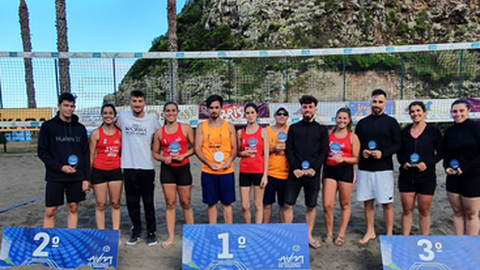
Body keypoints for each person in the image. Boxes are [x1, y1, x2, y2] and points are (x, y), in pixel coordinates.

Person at [355, 89, 401, 244]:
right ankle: (370, 231)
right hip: (365, 169)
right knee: (367, 202)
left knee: (386, 203)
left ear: (385, 103)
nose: (377, 104)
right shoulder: (362, 123)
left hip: (384, 169)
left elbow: (398, 144)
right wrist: (363, 152)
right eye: (374, 101)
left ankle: (389, 233)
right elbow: (356, 144)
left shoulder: (391, 122)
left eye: (380, 102)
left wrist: (383, 153)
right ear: (370, 102)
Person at [38, 92, 90, 228]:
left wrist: (86, 178)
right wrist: (60, 167)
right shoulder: (48, 127)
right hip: (55, 175)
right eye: (66, 105)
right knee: (50, 210)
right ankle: (47, 239)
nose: (69, 109)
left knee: (73, 207)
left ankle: (71, 237)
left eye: (72, 106)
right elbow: (42, 152)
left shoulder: (80, 128)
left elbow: (85, 154)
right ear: (59, 106)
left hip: (75, 176)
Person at [116, 90, 161, 246]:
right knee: (131, 202)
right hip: (128, 166)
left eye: (140, 101)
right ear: (130, 102)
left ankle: (151, 233)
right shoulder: (122, 118)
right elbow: (111, 131)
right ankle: (135, 231)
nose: (137, 104)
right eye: (134, 101)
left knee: (148, 202)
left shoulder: (152, 120)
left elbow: (161, 137)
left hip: (147, 167)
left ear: (144, 103)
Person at [284, 95, 329, 249]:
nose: (307, 109)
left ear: (315, 109)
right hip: (295, 173)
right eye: (304, 107)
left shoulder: (322, 129)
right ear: (301, 110)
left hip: (312, 174)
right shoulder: (294, 128)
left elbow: (324, 152)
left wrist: (313, 168)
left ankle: (308, 235)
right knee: (288, 204)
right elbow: (289, 150)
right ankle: (288, 235)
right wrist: (295, 167)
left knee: (311, 206)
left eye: (310, 107)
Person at [152, 101, 195, 249]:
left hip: (183, 168)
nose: (170, 113)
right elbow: (155, 153)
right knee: (170, 203)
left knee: (186, 203)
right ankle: (171, 237)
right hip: (167, 170)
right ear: (164, 113)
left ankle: (192, 234)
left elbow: (195, 148)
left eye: (173, 110)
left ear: (177, 112)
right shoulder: (159, 132)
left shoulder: (186, 128)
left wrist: (184, 155)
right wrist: (164, 158)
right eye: (168, 111)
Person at [397, 101, 443, 235]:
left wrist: (427, 164)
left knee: (424, 211)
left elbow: (440, 153)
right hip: (406, 176)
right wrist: (403, 162)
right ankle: (405, 238)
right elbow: (399, 153)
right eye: (412, 111)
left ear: (424, 112)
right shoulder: (404, 132)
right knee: (407, 210)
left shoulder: (433, 131)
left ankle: (425, 237)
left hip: (426, 176)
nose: (415, 114)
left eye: (418, 111)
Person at [195, 94, 237, 224]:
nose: (214, 110)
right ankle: (212, 230)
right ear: (207, 109)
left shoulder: (229, 126)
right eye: (211, 107)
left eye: (216, 107)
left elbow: (234, 148)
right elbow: (197, 149)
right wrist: (209, 164)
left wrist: (228, 161)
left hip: (226, 171)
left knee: (226, 204)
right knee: (211, 204)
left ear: (221, 108)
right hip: (209, 172)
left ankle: (228, 230)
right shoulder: (202, 127)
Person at [322, 107, 360, 246]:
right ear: (335, 119)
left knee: (344, 204)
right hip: (330, 171)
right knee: (327, 205)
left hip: (346, 172)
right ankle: (329, 233)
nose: (342, 121)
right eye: (339, 118)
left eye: (345, 118)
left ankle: (341, 234)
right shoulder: (328, 134)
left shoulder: (352, 137)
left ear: (349, 120)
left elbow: (356, 159)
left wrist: (344, 159)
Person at [444, 99, 480, 235]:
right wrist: (446, 166)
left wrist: (466, 168)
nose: (458, 114)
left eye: (461, 111)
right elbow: (446, 153)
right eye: (454, 111)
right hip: (453, 177)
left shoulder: (476, 128)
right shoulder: (449, 132)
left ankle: (470, 248)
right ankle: (458, 244)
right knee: (457, 212)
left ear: (469, 111)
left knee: (471, 214)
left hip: (473, 176)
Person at [89, 104, 123, 232]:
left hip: (115, 171)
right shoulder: (96, 133)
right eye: (105, 113)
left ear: (114, 115)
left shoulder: (119, 133)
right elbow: (91, 155)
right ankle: (101, 233)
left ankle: (115, 232)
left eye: (110, 113)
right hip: (99, 172)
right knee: (101, 204)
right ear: (102, 115)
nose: (108, 116)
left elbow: (122, 153)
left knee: (115, 203)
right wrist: (89, 176)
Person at [237, 103, 269, 224]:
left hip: (258, 171)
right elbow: (238, 152)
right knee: (245, 205)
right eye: (248, 113)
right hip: (244, 171)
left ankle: (258, 229)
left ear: (257, 114)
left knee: (258, 204)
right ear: (245, 115)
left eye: (252, 112)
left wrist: (265, 175)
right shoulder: (240, 132)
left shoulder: (263, 132)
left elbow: (266, 155)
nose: (250, 115)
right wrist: (242, 153)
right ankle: (248, 227)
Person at [263, 105, 290, 223]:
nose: (282, 116)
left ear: (288, 117)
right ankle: (264, 229)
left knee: (284, 205)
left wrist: (287, 148)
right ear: (274, 116)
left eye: (284, 114)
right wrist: (272, 148)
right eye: (279, 114)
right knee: (267, 204)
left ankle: (284, 230)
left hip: (285, 174)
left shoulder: (291, 131)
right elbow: (260, 152)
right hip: (269, 173)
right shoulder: (266, 131)